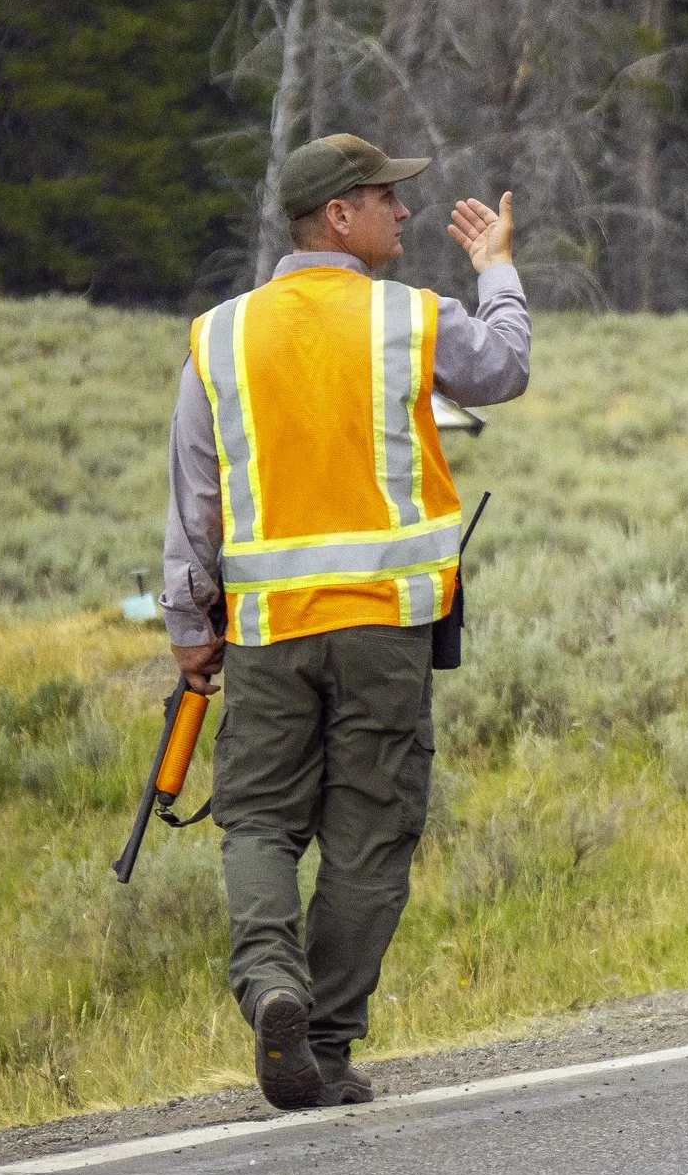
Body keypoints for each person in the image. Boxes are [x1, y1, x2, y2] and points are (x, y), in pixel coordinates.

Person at [162, 134, 532, 1110]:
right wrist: (496, 264)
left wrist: (188, 625)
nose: (402, 213)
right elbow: (503, 369)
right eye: (384, 197)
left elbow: (195, 500)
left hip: (265, 629)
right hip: (384, 629)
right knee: (369, 834)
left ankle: (272, 987)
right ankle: (320, 1040)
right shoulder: (409, 318)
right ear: (338, 215)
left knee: (257, 822)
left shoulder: (220, 335)